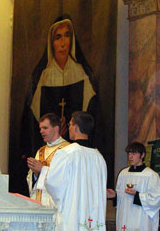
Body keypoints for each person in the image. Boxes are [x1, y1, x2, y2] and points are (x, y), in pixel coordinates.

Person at [12, 14, 104, 195]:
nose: (63, 42)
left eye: (67, 35)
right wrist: (35, 172)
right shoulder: (42, 76)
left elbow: (65, 182)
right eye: (57, 37)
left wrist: (42, 170)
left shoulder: (69, 152)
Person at [27, 113, 69, 207]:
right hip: (37, 202)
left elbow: (63, 177)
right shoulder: (41, 151)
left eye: (45, 128)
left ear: (56, 128)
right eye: (40, 128)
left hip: (54, 203)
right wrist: (35, 173)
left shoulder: (67, 150)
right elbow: (31, 179)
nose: (41, 131)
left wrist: (42, 170)